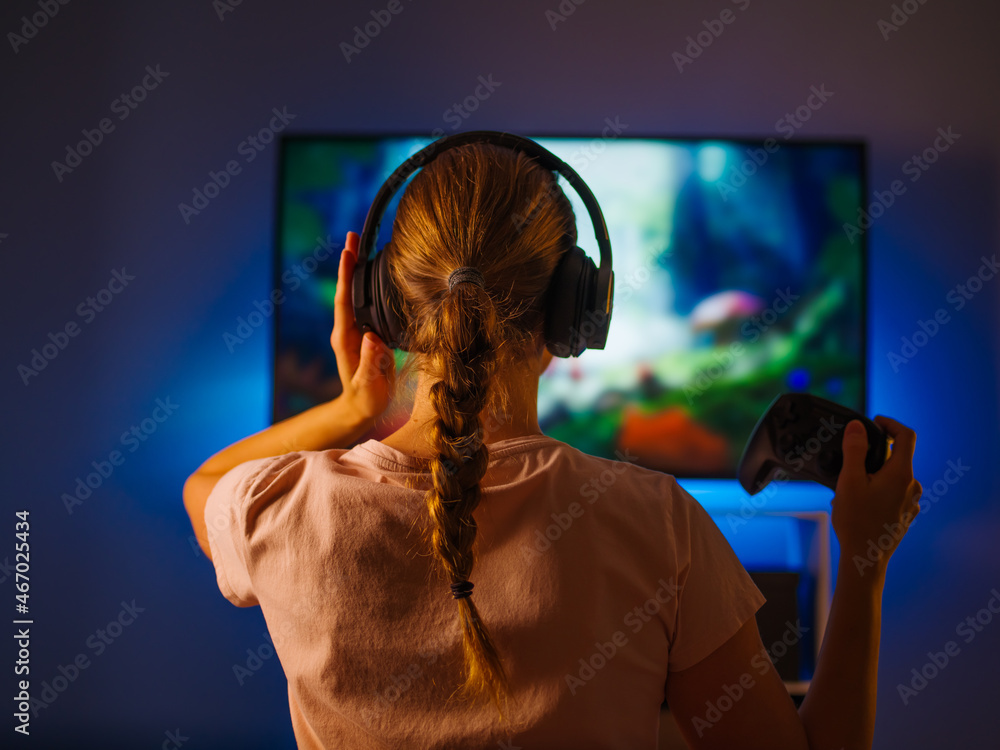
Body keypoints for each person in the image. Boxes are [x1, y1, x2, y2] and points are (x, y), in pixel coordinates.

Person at [184, 141, 922, 749]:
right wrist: (862, 559)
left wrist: (352, 410)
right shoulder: (659, 528)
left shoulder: (281, 509)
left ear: (382, 306)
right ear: (575, 313)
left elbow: (205, 485)